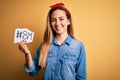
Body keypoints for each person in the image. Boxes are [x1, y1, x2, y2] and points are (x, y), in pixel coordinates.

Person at [18, 2, 86, 80]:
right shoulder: (44, 46)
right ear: (50, 23)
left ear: (68, 21)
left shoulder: (79, 46)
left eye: (61, 19)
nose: (57, 23)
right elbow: (32, 72)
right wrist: (27, 54)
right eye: (53, 20)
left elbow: (81, 77)